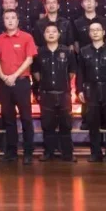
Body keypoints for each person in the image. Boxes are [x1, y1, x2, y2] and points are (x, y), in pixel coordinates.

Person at [0, 9, 37, 164]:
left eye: (13, 18)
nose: (10, 21)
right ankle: (11, 152)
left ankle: (28, 152)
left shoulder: (27, 37)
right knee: (8, 119)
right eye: (7, 18)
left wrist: (14, 75)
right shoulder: (0, 38)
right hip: (5, 83)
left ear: (18, 21)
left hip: (21, 82)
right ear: (4, 21)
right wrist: (3, 76)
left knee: (26, 118)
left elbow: (29, 59)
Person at [76, 22, 106, 163]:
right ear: (89, 33)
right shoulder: (83, 51)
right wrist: (79, 89)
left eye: (98, 30)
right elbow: (80, 72)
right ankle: (95, 153)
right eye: (92, 30)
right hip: (91, 89)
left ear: (103, 32)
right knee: (92, 123)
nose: (95, 32)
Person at [34, 23, 77, 162]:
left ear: (59, 34)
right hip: (46, 94)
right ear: (44, 35)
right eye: (48, 31)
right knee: (47, 125)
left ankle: (67, 153)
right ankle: (48, 152)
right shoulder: (39, 52)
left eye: (54, 31)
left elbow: (72, 71)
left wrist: (60, 82)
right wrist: (46, 83)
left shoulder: (67, 51)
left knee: (66, 125)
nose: (51, 34)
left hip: (63, 93)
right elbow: (36, 72)